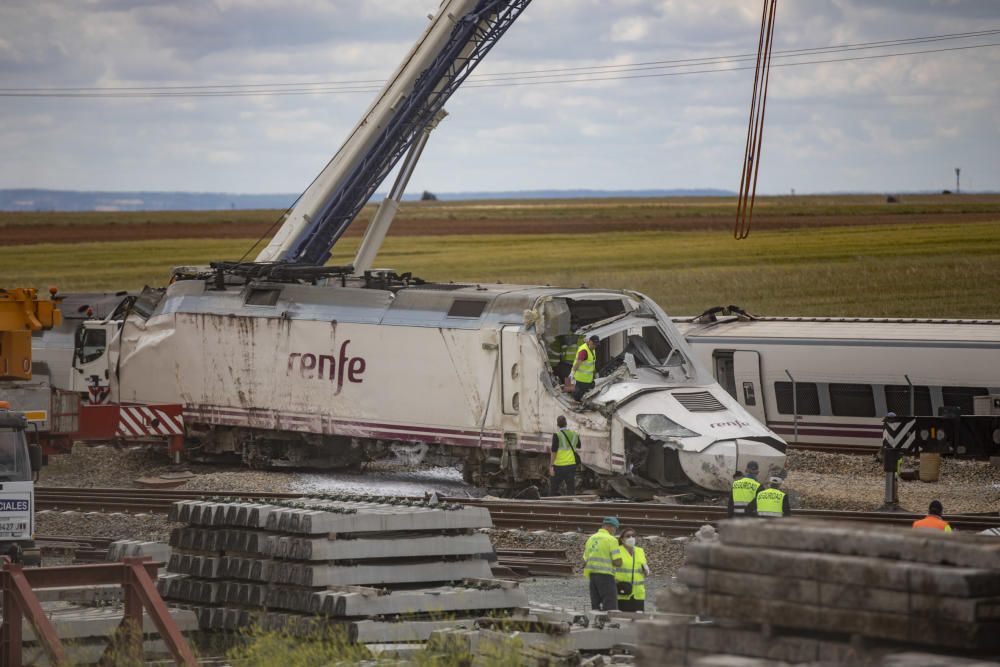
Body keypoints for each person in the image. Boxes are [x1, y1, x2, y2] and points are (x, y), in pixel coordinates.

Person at [583, 517, 623, 612]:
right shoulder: (611, 540)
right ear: (610, 527)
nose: (615, 531)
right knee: (610, 604)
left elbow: (585, 559)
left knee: (596, 604)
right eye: (615, 528)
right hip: (606, 576)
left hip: (592, 576)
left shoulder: (591, 538)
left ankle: (597, 624)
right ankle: (610, 624)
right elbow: (617, 561)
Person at [614, 527, 650, 612]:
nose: (631, 538)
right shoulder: (617, 551)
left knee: (638, 621)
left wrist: (646, 571)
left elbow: (645, 568)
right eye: (628, 536)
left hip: (638, 594)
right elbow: (610, 570)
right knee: (623, 620)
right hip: (622, 592)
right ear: (622, 539)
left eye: (633, 536)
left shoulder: (640, 551)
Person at [549, 415, 581, 496]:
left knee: (553, 488)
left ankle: (552, 506)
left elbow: (553, 451)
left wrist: (551, 466)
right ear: (566, 423)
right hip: (571, 464)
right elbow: (579, 446)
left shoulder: (557, 435)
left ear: (557, 425)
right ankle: (571, 505)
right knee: (571, 488)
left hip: (559, 466)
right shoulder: (574, 434)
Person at [570, 335, 600, 400]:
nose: (594, 346)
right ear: (589, 341)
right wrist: (572, 373)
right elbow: (578, 363)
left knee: (583, 398)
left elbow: (592, 363)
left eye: (596, 345)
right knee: (577, 398)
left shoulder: (592, 349)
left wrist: (595, 373)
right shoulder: (584, 351)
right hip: (580, 380)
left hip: (587, 380)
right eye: (593, 344)